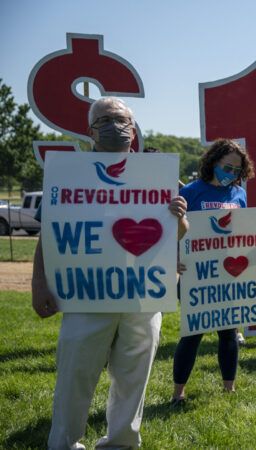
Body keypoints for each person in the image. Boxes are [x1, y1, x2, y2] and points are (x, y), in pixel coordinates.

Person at [31, 97, 189, 449]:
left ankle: (121, 442)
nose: (116, 126)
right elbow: (50, 233)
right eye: (106, 120)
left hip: (143, 294)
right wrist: (39, 282)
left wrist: (179, 216)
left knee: (134, 377)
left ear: (134, 130)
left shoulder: (157, 175)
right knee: (75, 375)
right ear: (91, 131)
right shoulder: (68, 174)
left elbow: (178, 232)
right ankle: (64, 443)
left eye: (123, 120)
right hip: (86, 294)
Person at [171, 139, 256, 406]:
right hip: (196, 273)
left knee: (229, 332)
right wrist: (175, 258)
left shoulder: (239, 194)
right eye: (227, 167)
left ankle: (230, 388)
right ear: (213, 162)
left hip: (228, 275)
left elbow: (242, 233)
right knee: (192, 333)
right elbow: (175, 233)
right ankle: (178, 393)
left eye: (237, 170)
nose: (231, 173)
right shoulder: (192, 192)